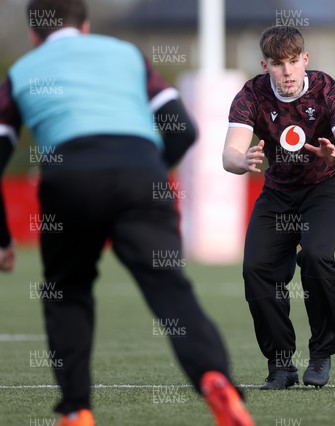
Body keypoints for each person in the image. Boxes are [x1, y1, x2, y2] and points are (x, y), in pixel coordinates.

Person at [0, 1, 253, 425]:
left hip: (69, 178)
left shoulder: (22, 72)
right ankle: (215, 378)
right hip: (141, 172)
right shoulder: (126, 54)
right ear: (85, 26)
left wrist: (4, 239)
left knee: (68, 292)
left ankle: (76, 409)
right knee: (170, 289)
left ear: (33, 34)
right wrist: (150, 173)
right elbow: (183, 129)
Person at [223, 25, 335, 390]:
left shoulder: (328, 90)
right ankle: (281, 365)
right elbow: (230, 154)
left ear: (305, 60)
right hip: (280, 191)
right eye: (276, 64)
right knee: (256, 269)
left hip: (328, 184)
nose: (286, 72)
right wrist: (241, 162)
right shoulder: (251, 94)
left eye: (291, 62)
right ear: (264, 64)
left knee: (316, 257)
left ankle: (320, 354)